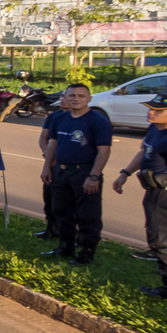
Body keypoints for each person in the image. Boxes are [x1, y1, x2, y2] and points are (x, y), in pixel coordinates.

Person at [112, 93, 167, 302]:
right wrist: (125, 173)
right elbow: (145, 152)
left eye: (158, 111)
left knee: (165, 241)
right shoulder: (156, 128)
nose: (151, 112)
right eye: (150, 108)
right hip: (157, 191)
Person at [40, 83, 112, 266]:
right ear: (65, 97)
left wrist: (94, 176)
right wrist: (47, 167)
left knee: (88, 214)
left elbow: (103, 151)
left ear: (89, 99)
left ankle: (86, 252)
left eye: (81, 96)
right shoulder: (60, 119)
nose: (76, 99)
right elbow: (53, 144)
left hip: (85, 172)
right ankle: (65, 246)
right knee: (61, 211)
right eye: (72, 96)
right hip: (61, 172)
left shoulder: (98, 120)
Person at [34, 102, 70, 240]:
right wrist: (47, 154)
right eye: (63, 96)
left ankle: (68, 233)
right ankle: (51, 228)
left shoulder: (88, 119)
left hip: (71, 167)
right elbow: (45, 138)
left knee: (68, 204)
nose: (63, 99)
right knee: (49, 198)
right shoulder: (55, 117)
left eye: (66, 96)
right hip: (54, 165)